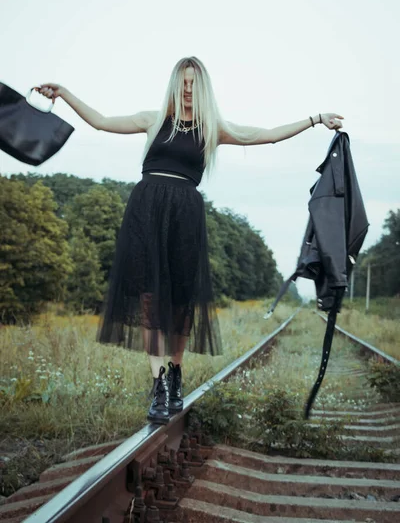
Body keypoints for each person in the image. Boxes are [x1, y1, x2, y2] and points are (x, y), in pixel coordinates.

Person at [35, 56, 343, 424]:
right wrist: (65, 93)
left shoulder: (212, 128)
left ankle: (176, 372)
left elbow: (267, 134)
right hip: (146, 212)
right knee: (150, 299)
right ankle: (159, 383)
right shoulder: (153, 120)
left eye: (193, 84)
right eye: (181, 83)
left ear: (202, 89)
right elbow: (101, 123)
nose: (186, 90)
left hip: (185, 217)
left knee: (181, 301)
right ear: (173, 84)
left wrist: (315, 119)